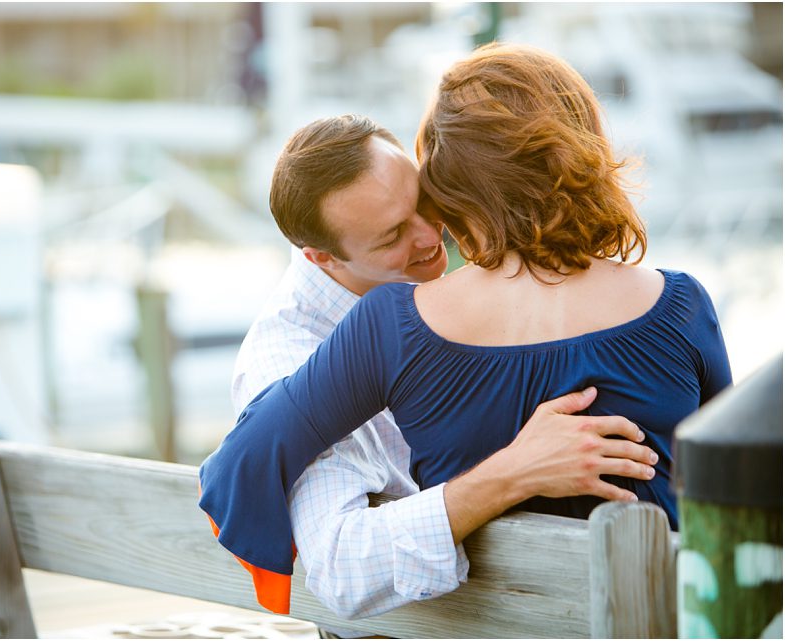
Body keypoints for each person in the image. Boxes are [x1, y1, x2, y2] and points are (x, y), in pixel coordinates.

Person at [200, 43, 732, 618]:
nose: (432, 236)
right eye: (392, 235)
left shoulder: (391, 325)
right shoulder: (681, 304)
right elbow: (741, 489)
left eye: (426, 201)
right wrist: (511, 471)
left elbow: (240, 462)